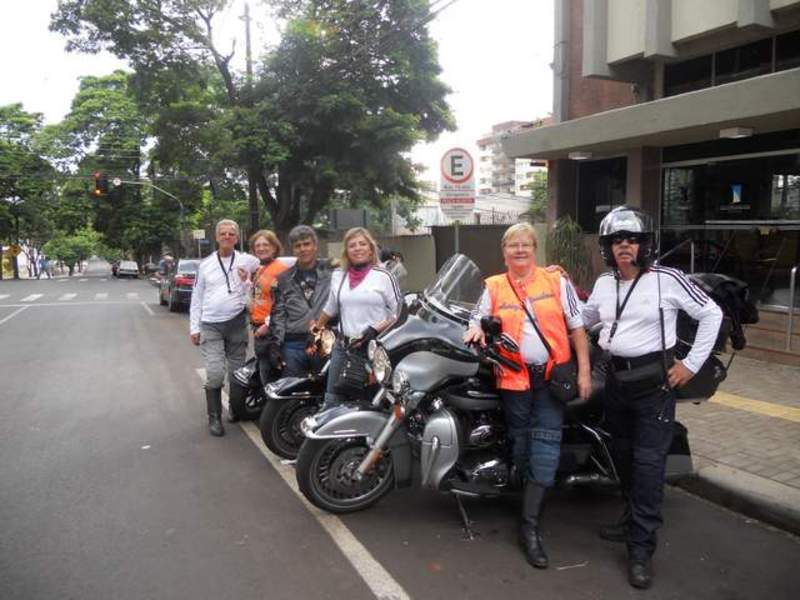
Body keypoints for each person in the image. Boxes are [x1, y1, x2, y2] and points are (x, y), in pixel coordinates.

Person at [581, 206, 722, 589]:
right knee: (622, 459)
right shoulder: (605, 284)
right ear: (608, 247)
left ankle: (640, 550)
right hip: (616, 383)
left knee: (647, 468)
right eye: (616, 240)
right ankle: (630, 521)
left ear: (646, 244)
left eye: (633, 239)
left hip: (653, 387)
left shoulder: (668, 279)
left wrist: (691, 365)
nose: (624, 246)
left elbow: (712, 314)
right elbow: (586, 317)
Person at [463, 222, 591, 570]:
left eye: (526, 245)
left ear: (535, 249)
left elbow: (577, 327)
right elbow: (477, 315)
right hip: (514, 381)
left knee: (545, 448)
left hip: (551, 380)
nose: (519, 251)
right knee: (519, 444)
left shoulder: (556, 281)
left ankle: (530, 528)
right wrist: (474, 327)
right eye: (513, 245)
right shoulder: (494, 285)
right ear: (504, 251)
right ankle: (523, 498)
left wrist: (583, 372)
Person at [313, 227, 402, 409]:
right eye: (352, 245)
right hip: (343, 347)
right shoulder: (338, 276)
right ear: (347, 252)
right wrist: (316, 330)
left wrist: (376, 328)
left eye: (362, 244)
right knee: (332, 400)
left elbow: (399, 313)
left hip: (373, 349)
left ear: (371, 249)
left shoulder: (383, 276)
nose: (358, 248)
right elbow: (330, 307)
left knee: (369, 403)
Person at [189, 219, 260, 437]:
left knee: (237, 373)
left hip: (237, 323)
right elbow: (197, 296)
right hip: (211, 325)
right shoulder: (206, 264)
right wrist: (194, 327)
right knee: (215, 373)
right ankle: (215, 417)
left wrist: (248, 281)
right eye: (223, 233)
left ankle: (236, 411)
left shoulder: (249, 261)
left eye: (231, 234)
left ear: (237, 238)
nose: (227, 237)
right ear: (217, 237)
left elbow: (266, 276)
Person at [226, 229, 290, 422]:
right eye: (258, 246)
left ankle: (277, 418)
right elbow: (256, 297)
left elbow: (285, 302)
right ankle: (271, 414)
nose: (262, 248)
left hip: (271, 330)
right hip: (258, 327)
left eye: (266, 245)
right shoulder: (260, 269)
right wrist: (246, 281)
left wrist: (269, 324)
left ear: (274, 247)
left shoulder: (280, 269)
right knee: (265, 372)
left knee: (271, 375)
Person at [268, 225, 332, 378]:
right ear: (293, 250)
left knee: (326, 395)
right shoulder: (283, 279)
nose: (303, 249)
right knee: (291, 395)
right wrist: (275, 345)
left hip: (325, 343)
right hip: (293, 346)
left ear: (315, 246)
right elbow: (278, 315)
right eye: (298, 246)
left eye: (307, 244)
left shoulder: (332, 273)